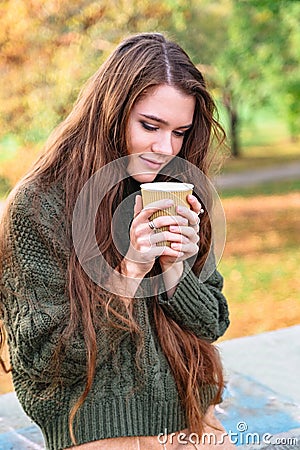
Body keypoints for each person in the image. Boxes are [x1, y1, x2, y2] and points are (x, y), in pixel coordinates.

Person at [0, 32, 234, 449]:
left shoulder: (175, 189)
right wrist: (129, 273)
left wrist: (175, 268)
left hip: (189, 413)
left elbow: (212, 322)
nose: (165, 148)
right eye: (150, 126)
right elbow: (42, 361)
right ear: (110, 112)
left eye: (180, 131)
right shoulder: (38, 207)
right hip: (94, 425)